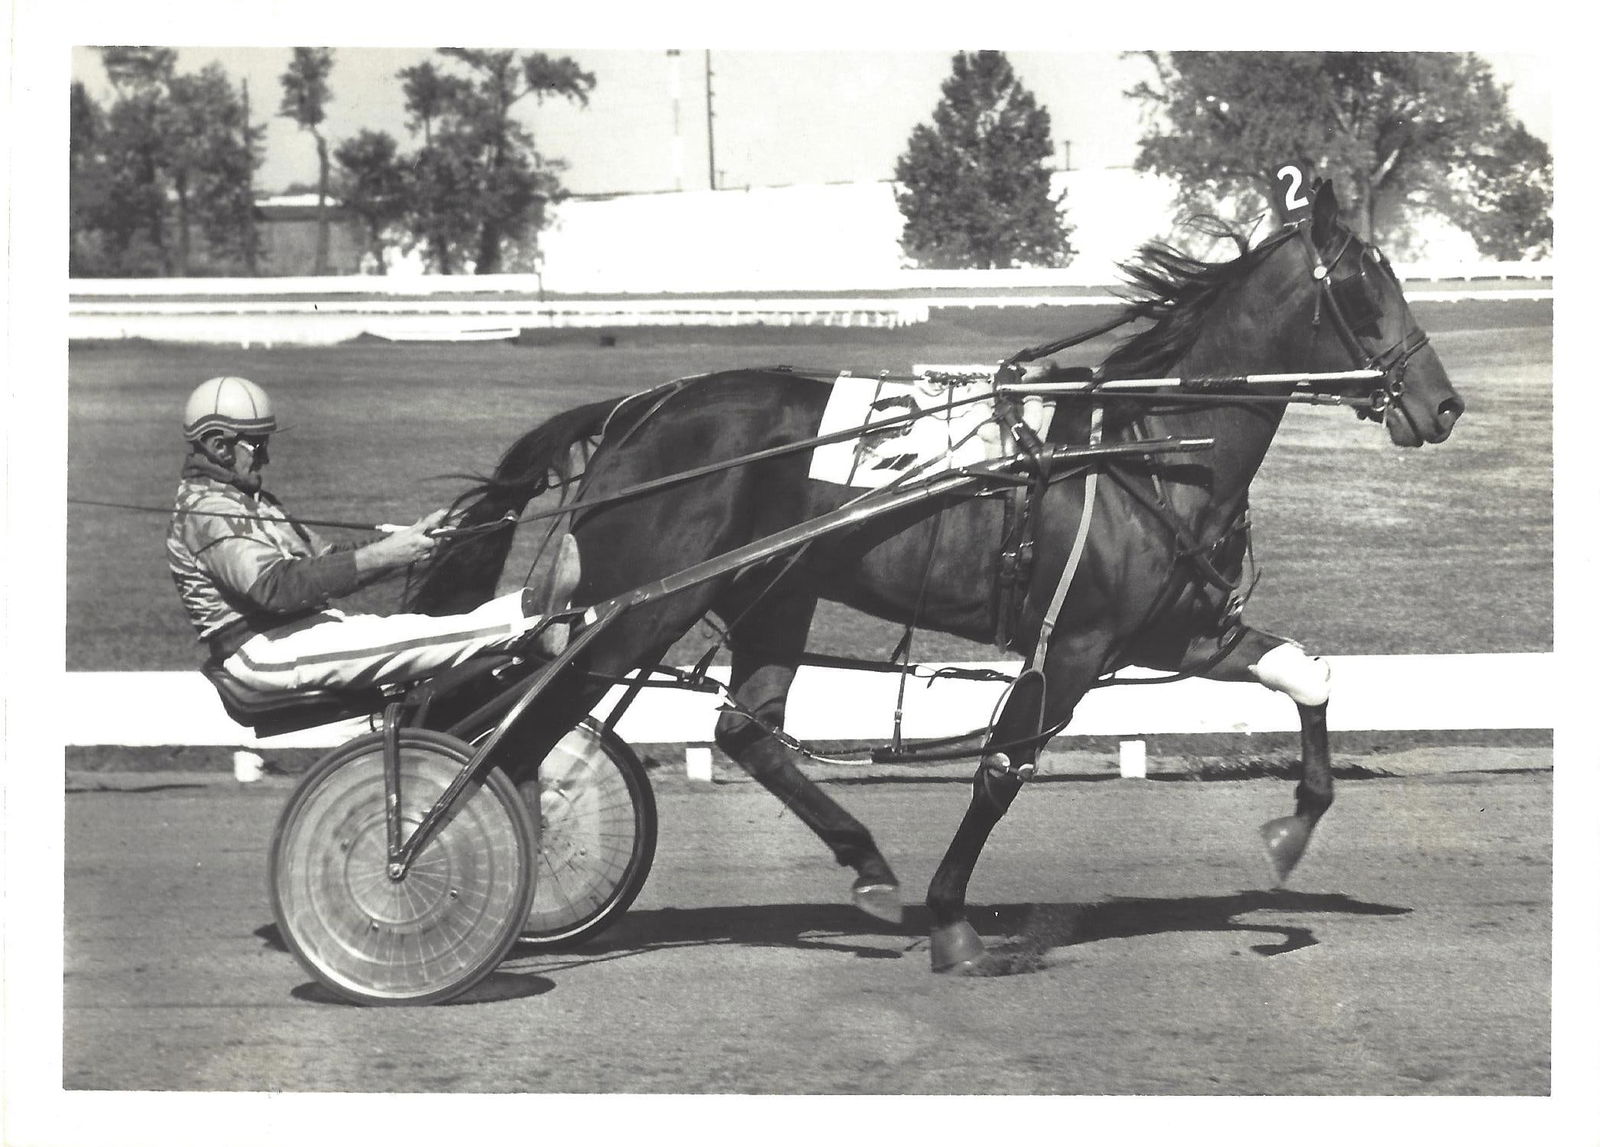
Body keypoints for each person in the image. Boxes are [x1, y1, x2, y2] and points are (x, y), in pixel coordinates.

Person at [166, 375, 576, 693]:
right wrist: (389, 555)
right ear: (219, 446)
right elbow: (277, 587)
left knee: (420, 631)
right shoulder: (206, 510)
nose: (266, 457)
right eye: (257, 445)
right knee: (423, 638)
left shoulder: (245, 499)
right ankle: (535, 622)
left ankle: (530, 606)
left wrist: (416, 543)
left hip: (297, 634)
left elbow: (325, 559)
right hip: (263, 651)